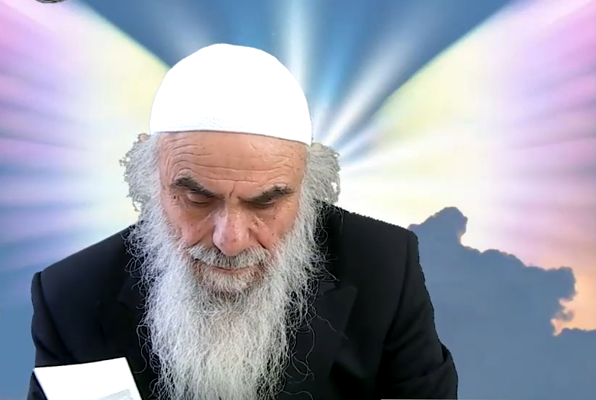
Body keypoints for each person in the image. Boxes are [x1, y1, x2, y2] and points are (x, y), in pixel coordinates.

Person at [27, 44, 457, 400]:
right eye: (197, 199)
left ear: (307, 190)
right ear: (151, 183)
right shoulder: (71, 296)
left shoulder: (384, 267)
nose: (230, 240)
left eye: (266, 203)